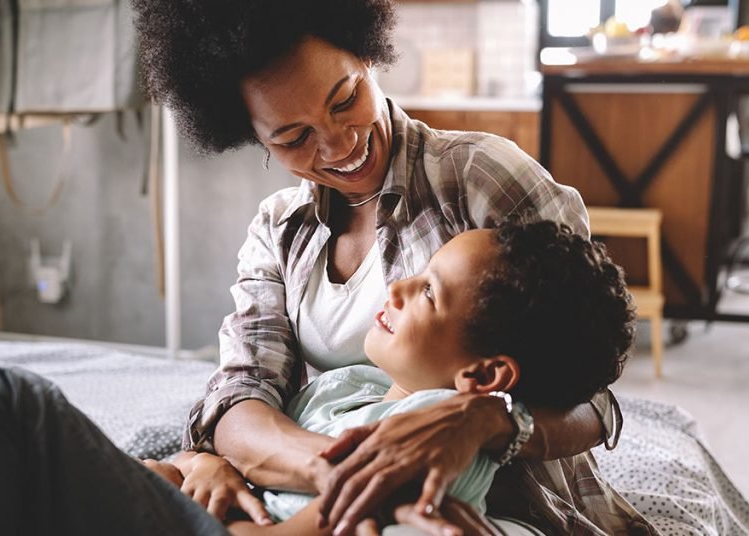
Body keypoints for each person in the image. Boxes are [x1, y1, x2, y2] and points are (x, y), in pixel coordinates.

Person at [131, 0, 653, 533]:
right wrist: (355, 472)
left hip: (496, 508)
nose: (341, 144)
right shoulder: (279, 231)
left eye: (346, 99)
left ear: (368, 56)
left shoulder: (480, 179)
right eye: (294, 138)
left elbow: (589, 393)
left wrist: (487, 419)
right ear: (254, 138)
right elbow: (243, 395)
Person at [144, 221, 633, 535]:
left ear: (484, 374)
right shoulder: (354, 385)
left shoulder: (427, 438)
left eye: (428, 293)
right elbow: (232, 427)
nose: (397, 286)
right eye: (291, 136)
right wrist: (201, 466)